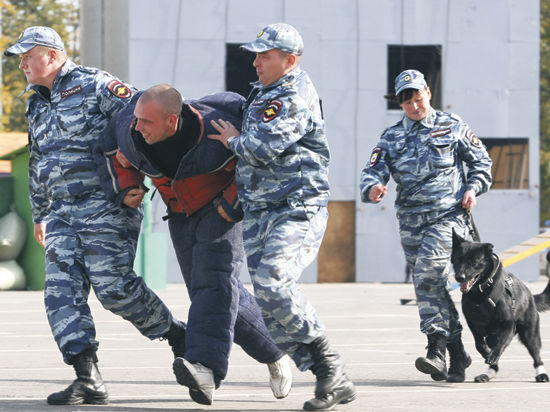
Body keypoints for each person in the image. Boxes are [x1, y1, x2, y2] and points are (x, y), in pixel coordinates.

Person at [3, 26, 188, 406]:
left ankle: (177, 336)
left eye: (27, 54)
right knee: (60, 292)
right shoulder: (34, 100)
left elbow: (142, 120)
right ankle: (87, 377)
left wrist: (135, 173)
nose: (21, 62)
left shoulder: (96, 85)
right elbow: (38, 159)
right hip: (60, 215)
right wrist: (40, 212)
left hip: (107, 206)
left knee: (113, 288)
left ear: (52, 55)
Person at [94, 84, 292, 405]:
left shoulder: (219, 129)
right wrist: (126, 186)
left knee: (212, 282)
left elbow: (261, 164)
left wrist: (232, 205)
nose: (137, 126)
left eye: (147, 122)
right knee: (213, 291)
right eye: (137, 119)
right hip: (181, 211)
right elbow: (109, 151)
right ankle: (275, 349)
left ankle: (204, 367)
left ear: (172, 121)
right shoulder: (130, 128)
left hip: (223, 206)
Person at [208, 22, 356, 411]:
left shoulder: (291, 94)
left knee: (274, 282)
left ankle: (331, 366)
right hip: (261, 210)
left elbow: (261, 148)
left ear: (289, 60)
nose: (255, 62)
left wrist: (231, 141)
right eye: (255, 54)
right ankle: (328, 374)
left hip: (295, 208)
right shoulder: (264, 93)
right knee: (271, 302)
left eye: (265, 55)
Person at [359, 69, 493, 382]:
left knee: (427, 274)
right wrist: (374, 188)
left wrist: (473, 188)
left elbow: (482, 163)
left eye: (417, 97)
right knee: (429, 286)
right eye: (407, 101)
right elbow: (372, 170)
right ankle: (457, 352)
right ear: (400, 103)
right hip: (410, 220)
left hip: (448, 216)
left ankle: (436, 348)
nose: (414, 105)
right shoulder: (391, 136)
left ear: (428, 93)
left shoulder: (452, 125)